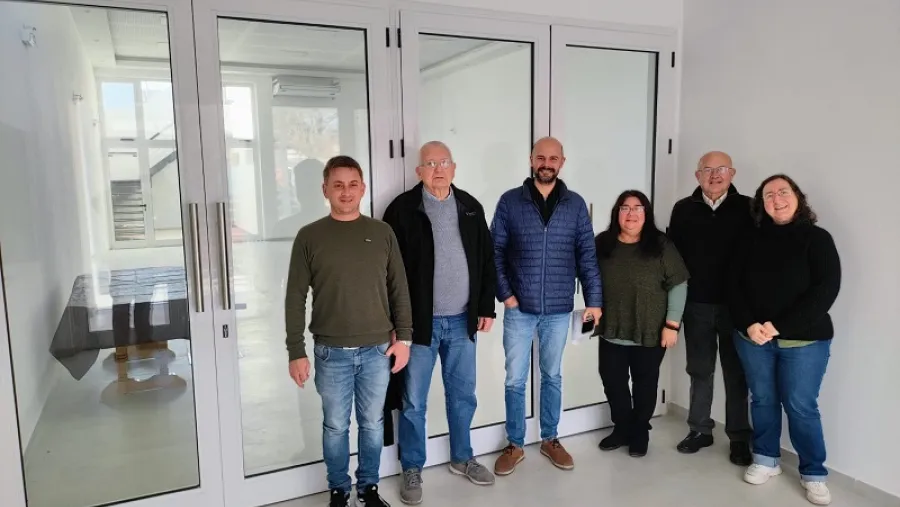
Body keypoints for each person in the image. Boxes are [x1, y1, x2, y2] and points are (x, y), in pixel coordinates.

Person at [285, 155, 413, 507]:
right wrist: (295, 350)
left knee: (372, 424)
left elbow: (399, 289)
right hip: (331, 353)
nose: (346, 191)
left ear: (363, 188)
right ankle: (339, 490)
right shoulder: (309, 236)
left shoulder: (382, 233)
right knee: (335, 426)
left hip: (377, 351)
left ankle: (368, 489)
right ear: (325, 189)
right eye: (338, 185)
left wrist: (404, 338)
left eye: (352, 184)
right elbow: (295, 297)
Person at [382, 141, 497, 504]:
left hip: (463, 322)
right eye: (430, 164)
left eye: (443, 162)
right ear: (419, 171)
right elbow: (387, 272)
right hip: (418, 327)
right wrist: (396, 324)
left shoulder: (470, 207)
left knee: (463, 395)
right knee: (413, 401)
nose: (438, 169)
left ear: (454, 167)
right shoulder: (401, 210)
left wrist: (486, 307)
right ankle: (412, 467)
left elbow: (486, 259)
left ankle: (462, 458)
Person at [490, 136, 603, 475]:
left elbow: (587, 255)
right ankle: (515, 443)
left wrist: (594, 302)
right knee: (515, 378)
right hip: (518, 309)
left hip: (558, 308)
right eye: (541, 157)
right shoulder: (510, 202)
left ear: (562, 162)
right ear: (531, 160)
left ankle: (550, 438)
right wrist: (506, 295)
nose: (547, 163)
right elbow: (494, 251)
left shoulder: (575, 204)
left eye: (553, 158)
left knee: (552, 375)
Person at [728, 174, 841, 506]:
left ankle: (814, 473)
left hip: (805, 343)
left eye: (782, 192)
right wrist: (749, 325)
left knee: (801, 405)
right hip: (752, 339)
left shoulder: (817, 239)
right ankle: (765, 458)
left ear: (797, 197)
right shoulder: (749, 238)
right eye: (768, 195)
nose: (776, 199)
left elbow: (825, 291)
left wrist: (777, 326)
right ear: (761, 203)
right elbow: (732, 286)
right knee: (762, 399)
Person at [667, 151, 754, 465]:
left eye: (721, 169)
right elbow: (673, 258)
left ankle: (739, 438)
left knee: (736, 373)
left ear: (732, 173)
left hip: (737, 308)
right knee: (700, 370)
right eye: (707, 169)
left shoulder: (750, 208)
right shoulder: (683, 209)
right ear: (697, 175)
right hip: (697, 305)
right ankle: (700, 430)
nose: (714, 175)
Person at [594, 190, 690, 457]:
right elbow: (588, 276)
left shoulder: (661, 245)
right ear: (617, 213)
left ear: (646, 214)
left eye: (638, 208)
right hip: (612, 328)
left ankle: (639, 431)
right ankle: (622, 427)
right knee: (613, 382)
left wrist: (672, 325)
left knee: (645, 383)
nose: (631, 213)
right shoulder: (602, 243)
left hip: (651, 328)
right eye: (625, 208)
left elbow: (679, 284)